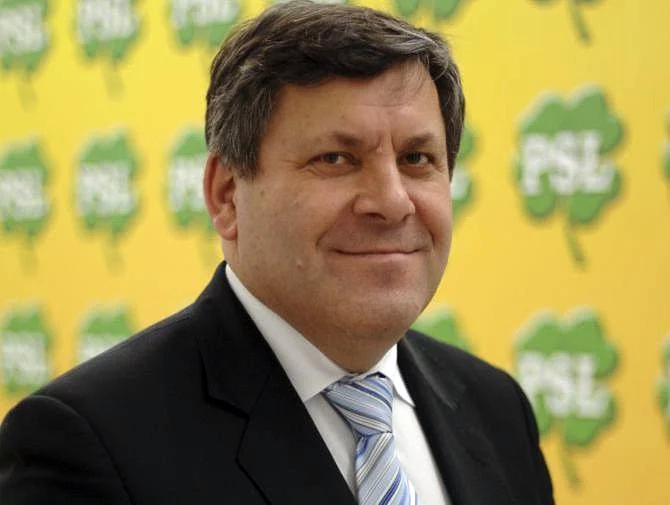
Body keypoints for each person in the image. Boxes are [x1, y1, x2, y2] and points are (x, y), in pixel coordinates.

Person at [0, 1, 554, 504]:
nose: (391, 202)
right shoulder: (88, 443)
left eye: (416, 159)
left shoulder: (497, 409)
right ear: (227, 195)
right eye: (336, 159)